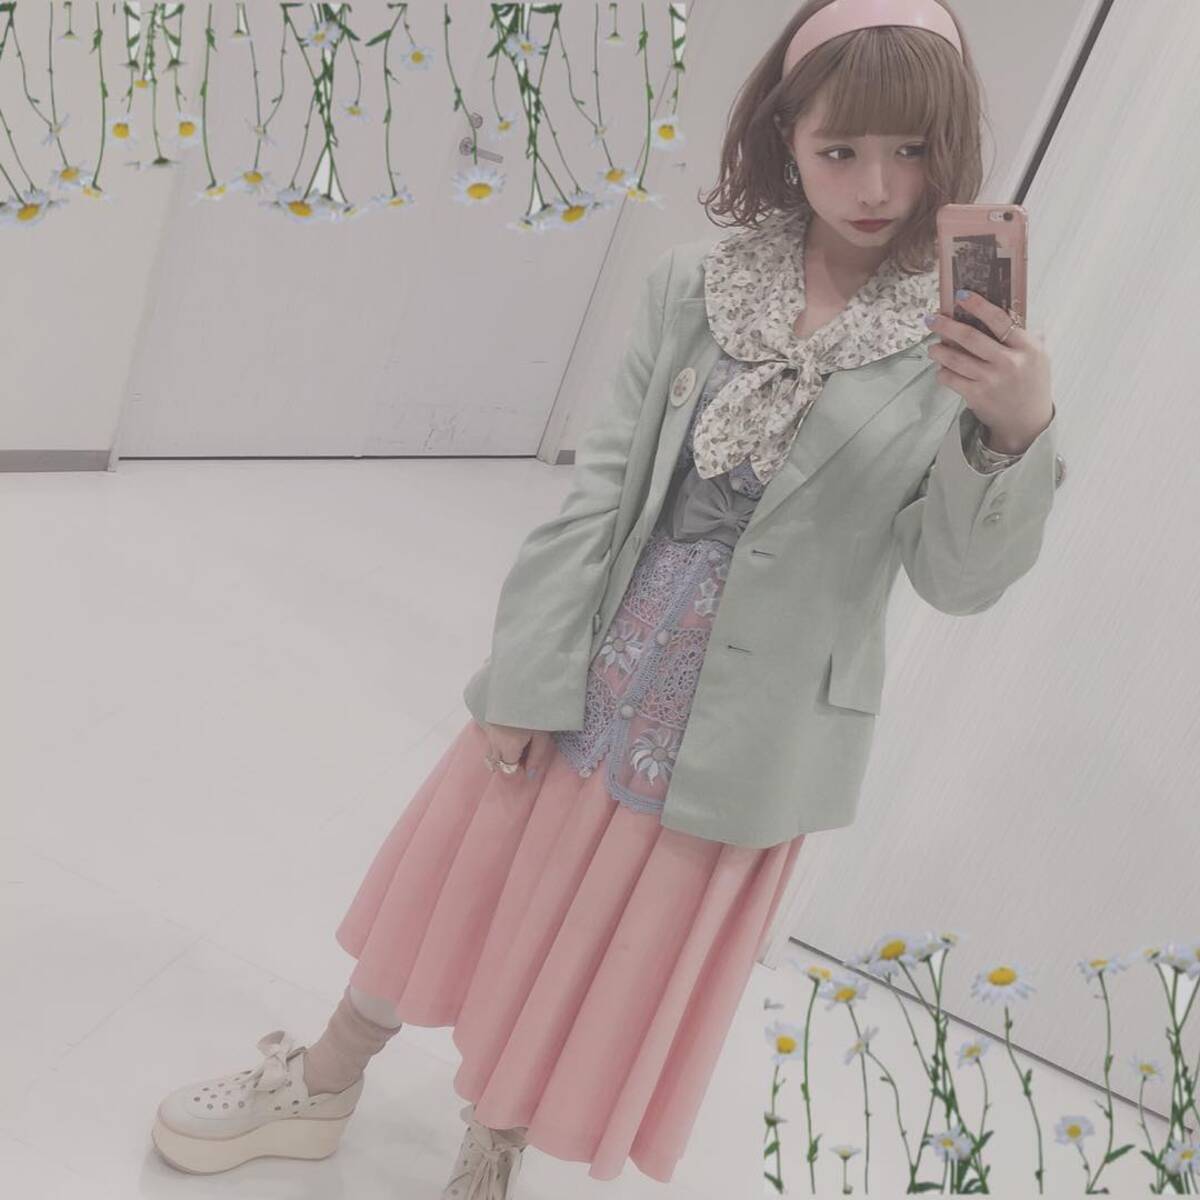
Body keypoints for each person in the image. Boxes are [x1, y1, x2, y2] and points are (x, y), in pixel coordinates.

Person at [150, 0, 1062, 1194]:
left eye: (912, 151)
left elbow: (957, 580)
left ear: (953, 153)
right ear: (786, 137)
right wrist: (527, 673)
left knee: (603, 961)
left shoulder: (962, 353)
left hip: (749, 733)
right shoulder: (698, 284)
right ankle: (323, 1081)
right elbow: (599, 495)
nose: (877, 186)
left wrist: (1012, 432)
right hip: (598, 668)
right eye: (841, 148)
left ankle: (493, 1147)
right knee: (460, 881)